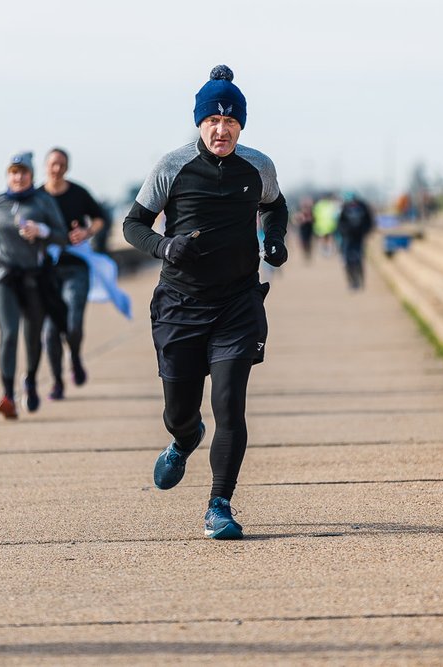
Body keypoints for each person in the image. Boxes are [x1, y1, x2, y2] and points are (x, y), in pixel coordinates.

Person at [123, 65, 288, 540]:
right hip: (180, 304)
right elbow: (133, 224)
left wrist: (275, 240)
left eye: (231, 121)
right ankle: (183, 437)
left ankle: (220, 504)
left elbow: (275, 205)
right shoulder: (172, 167)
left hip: (237, 304)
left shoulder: (258, 166)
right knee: (180, 410)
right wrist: (165, 247)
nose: (222, 129)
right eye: (213, 121)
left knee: (230, 406)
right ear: (199, 123)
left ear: (241, 125)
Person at [0, 152, 68, 419]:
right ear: (8, 175)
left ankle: (29, 379)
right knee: (9, 334)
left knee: (32, 336)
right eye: (13, 172)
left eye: (23, 172)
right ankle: (8, 395)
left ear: (31, 175)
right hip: (3, 276)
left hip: (33, 277)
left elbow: (62, 236)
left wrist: (41, 231)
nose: (18, 177)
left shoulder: (42, 201)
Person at [38, 148, 106, 400]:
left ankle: (75, 356)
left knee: (73, 324)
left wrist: (87, 232)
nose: (57, 169)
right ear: (46, 166)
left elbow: (100, 218)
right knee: (49, 331)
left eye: (62, 164)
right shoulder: (36, 196)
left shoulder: (78, 193)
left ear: (67, 167)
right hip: (46, 271)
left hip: (76, 267)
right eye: (53, 164)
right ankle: (57, 381)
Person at [336, 191, 375, 290]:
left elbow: (369, 221)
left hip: (359, 237)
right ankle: (351, 282)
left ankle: (361, 280)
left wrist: (366, 231)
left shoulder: (363, 207)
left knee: (359, 259)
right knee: (347, 262)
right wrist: (344, 231)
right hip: (347, 238)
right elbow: (339, 223)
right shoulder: (344, 208)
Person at [292, 197, 315, 262]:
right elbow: (294, 220)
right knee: (303, 242)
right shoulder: (299, 212)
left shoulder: (310, 212)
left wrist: (308, 219)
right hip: (302, 229)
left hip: (309, 228)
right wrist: (300, 220)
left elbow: (313, 220)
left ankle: (309, 253)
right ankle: (305, 254)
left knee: (309, 242)